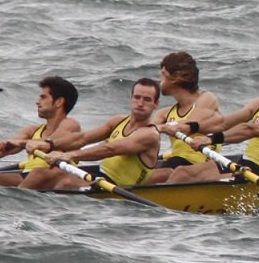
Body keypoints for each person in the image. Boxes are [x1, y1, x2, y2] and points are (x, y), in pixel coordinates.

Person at [165, 60, 259, 183]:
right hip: (246, 165)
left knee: (192, 176)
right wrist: (191, 127)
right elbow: (223, 123)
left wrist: (210, 139)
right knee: (182, 172)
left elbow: (251, 130)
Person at [22, 77, 162, 192]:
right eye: (137, 97)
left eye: (147, 99)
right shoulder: (118, 121)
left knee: (62, 182)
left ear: (156, 104)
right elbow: (82, 138)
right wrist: (49, 144)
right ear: (131, 98)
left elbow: (110, 149)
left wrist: (69, 155)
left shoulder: (150, 135)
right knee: (41, 173)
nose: (140, 103)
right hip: (99, 177)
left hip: (118, 187)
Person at [0, 75, 84, 187]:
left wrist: (20, 143)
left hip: (55, 176)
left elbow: (51, 142)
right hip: (29, 177)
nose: (37, 102)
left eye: (43, 97)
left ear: (59, 102)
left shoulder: (71, 124)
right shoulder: (32, 130)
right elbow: (2, 151)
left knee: (30, 174)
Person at [144, 51, 224, 184]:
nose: (159, 80)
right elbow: (146, 132)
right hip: (177, 163)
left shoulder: (206, 99)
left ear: (177, 77)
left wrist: (162, 127)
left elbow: (191, 123)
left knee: (168, 172)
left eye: (163, 74)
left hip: (204, 165)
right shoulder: (164, 113)